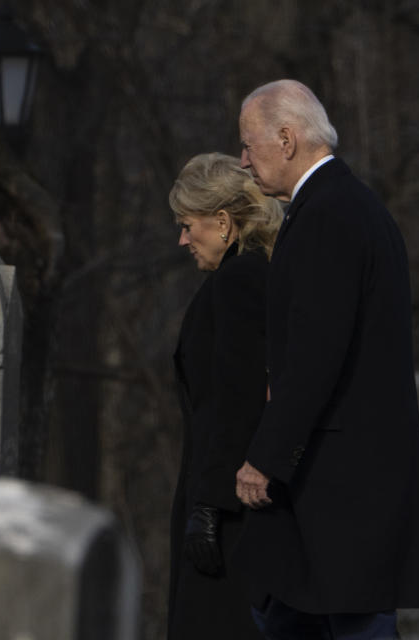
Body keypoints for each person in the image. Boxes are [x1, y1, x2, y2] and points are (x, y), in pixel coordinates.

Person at [233, 79, 419, 639]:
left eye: (249, 144)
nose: (243, 160)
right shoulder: (342, 206)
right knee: (281, 610)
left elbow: (315, 354)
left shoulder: (330, 213)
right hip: (338, 482)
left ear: (287, 137)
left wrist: (266, 457)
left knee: (348, 625)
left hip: (345, 484)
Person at [167, 152, 283, 640]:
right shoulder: (245, 275)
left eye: (187, 225)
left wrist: (209, 509)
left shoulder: (238, 280)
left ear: (222, 222)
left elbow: (238, 400)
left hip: (229, 512)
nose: (182, 239)